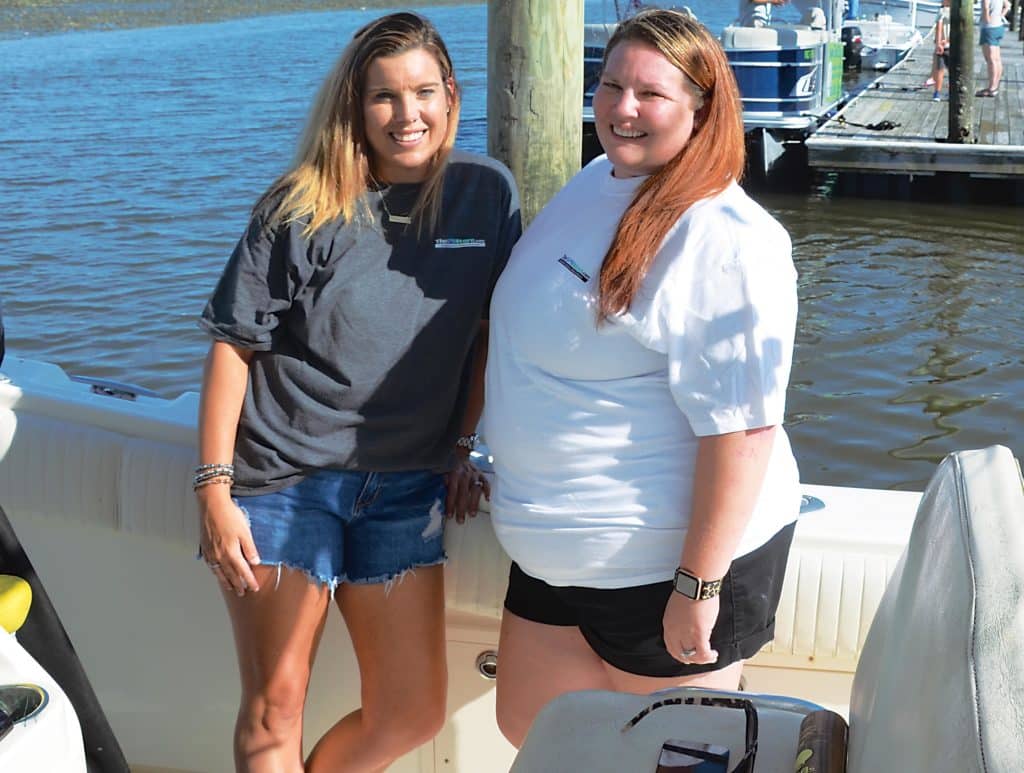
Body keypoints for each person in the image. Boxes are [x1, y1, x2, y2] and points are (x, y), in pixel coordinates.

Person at [196, 12, 520, 772]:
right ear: (354, 105)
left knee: (410, 710)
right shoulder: (301, 204)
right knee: (276, 702)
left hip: (406, 482)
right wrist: (214, 487)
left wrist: (467, 444)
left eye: (424, 93)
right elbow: (232, 343)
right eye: (384, 97)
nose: (408, 116)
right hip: (284, 479)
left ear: (451, 95)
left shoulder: (485, 194)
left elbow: (485, 335)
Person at [485, 9, 802, 747]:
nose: (623, 109)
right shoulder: (603, 178)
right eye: (610, 85)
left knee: (668, 759)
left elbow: (745, 430)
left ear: (701, 106)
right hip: (556, 547)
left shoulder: (724, 237)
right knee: (535, 732)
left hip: (666, 568)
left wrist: (697, 586)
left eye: (650, 95)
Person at [976, 0, 1009, 97]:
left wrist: (987, 19)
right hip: (998, 26)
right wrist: (1001, 16)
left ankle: (992, 88)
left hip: (989, 28)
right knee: (997, 59)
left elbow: (986, 7)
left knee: (991, 59)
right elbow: (1007, 5)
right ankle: (995, 86)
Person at [924, 0, 951, 101]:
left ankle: (938, 93)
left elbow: (939, 29)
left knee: (940, 70)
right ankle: (941, 92)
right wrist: (941, 42)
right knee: (945, 71)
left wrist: (939, 43)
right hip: (947, 45)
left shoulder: (943, 11)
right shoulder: (944, 11)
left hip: (945, 45)